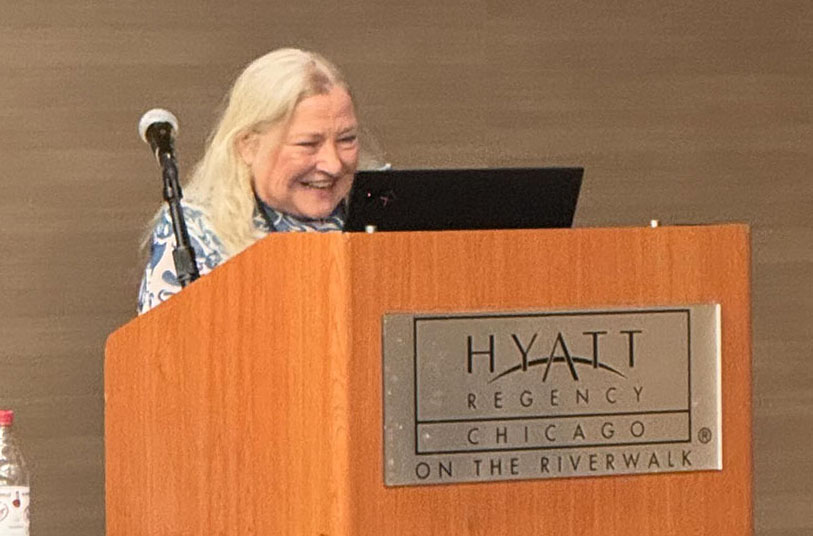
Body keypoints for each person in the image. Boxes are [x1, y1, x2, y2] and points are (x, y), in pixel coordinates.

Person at [138, 48, 370, 314]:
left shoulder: (385, 212)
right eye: (308, 144)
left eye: (346, 140)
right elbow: (162, 348)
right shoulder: (195, 230)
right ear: (248, 146)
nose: (333, 163)